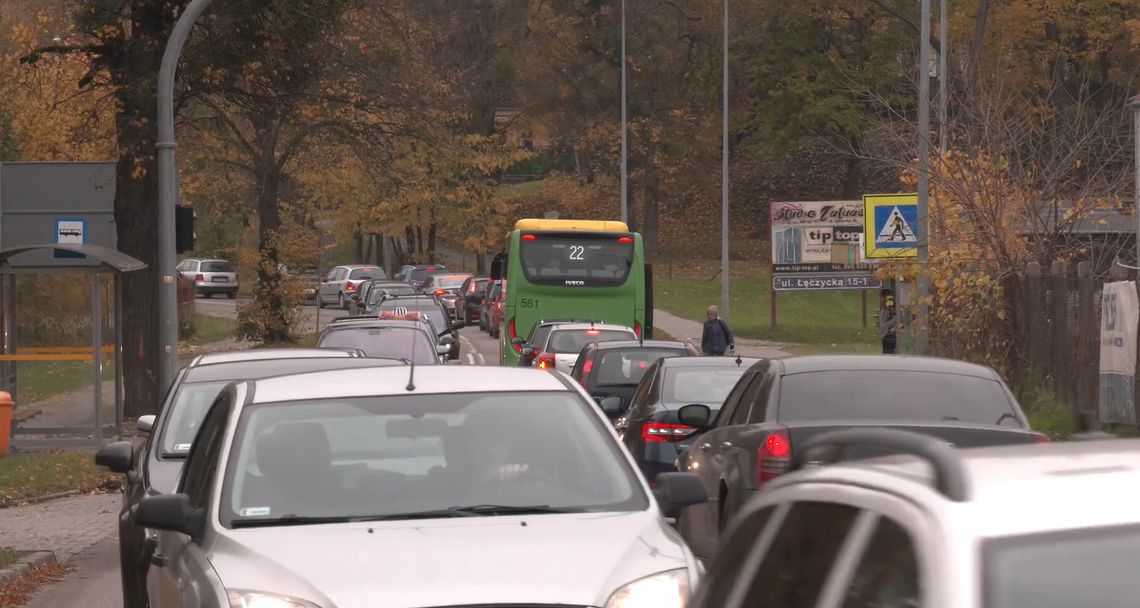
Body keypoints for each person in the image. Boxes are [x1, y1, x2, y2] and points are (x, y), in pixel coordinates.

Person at [877, 288, 899, 354]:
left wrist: (890, 327)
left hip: (889, 338)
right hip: (885, 338)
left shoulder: (890, 308)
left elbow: (896, 319)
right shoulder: (883, 309)